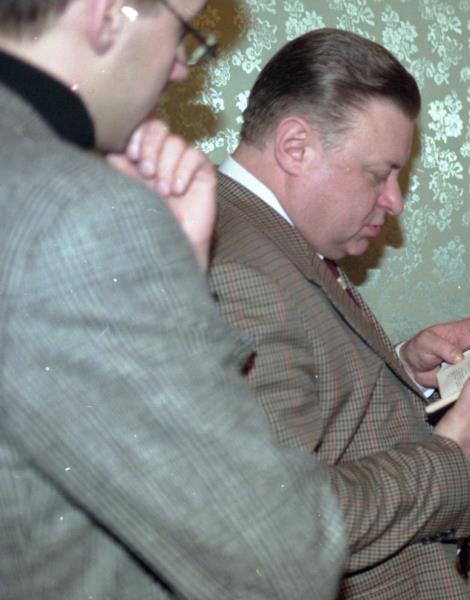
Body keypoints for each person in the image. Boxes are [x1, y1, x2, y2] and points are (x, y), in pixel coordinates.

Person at [0, 0, 348, 597]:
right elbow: (283, 558)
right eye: (183, 33)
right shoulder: (83, 216)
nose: (181, 67)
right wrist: (179, 283)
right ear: (107, 16)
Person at [207, 28, 470, 599]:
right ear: (295, 147)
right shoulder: (238, 269)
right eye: (379, 174)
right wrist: (451, 456)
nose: (395, 201)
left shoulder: (255, 235)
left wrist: (402, 366)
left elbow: (311, 398)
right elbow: (285, 524)